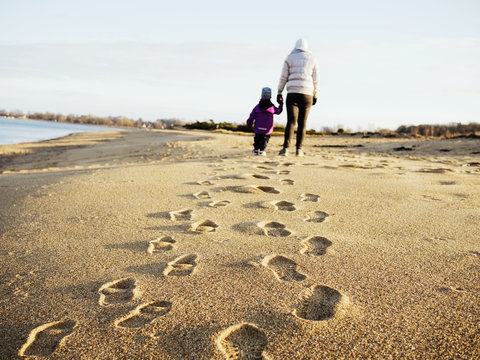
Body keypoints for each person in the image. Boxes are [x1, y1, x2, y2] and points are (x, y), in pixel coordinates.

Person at [277, 38, 319, 156]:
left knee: (291, 121)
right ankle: (299, 150)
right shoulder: (312, 59)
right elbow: (316, 79)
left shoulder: (289, 58)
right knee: (302, 123)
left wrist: (279, 92)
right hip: (307, 94)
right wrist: (315, 93)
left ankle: (285, 149)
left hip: (292, 93)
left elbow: (283, 77)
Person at [246, 87, 283, 156]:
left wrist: (249, 124)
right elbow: (279, 111)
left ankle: (256, 150)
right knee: (265, 139)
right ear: (270, 96)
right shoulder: (272, 107)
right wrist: (281, 104)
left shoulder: (257, 107)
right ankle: (262, 150)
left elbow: (251, 116)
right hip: (267, 129)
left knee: (257, 138)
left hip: (258, 128)